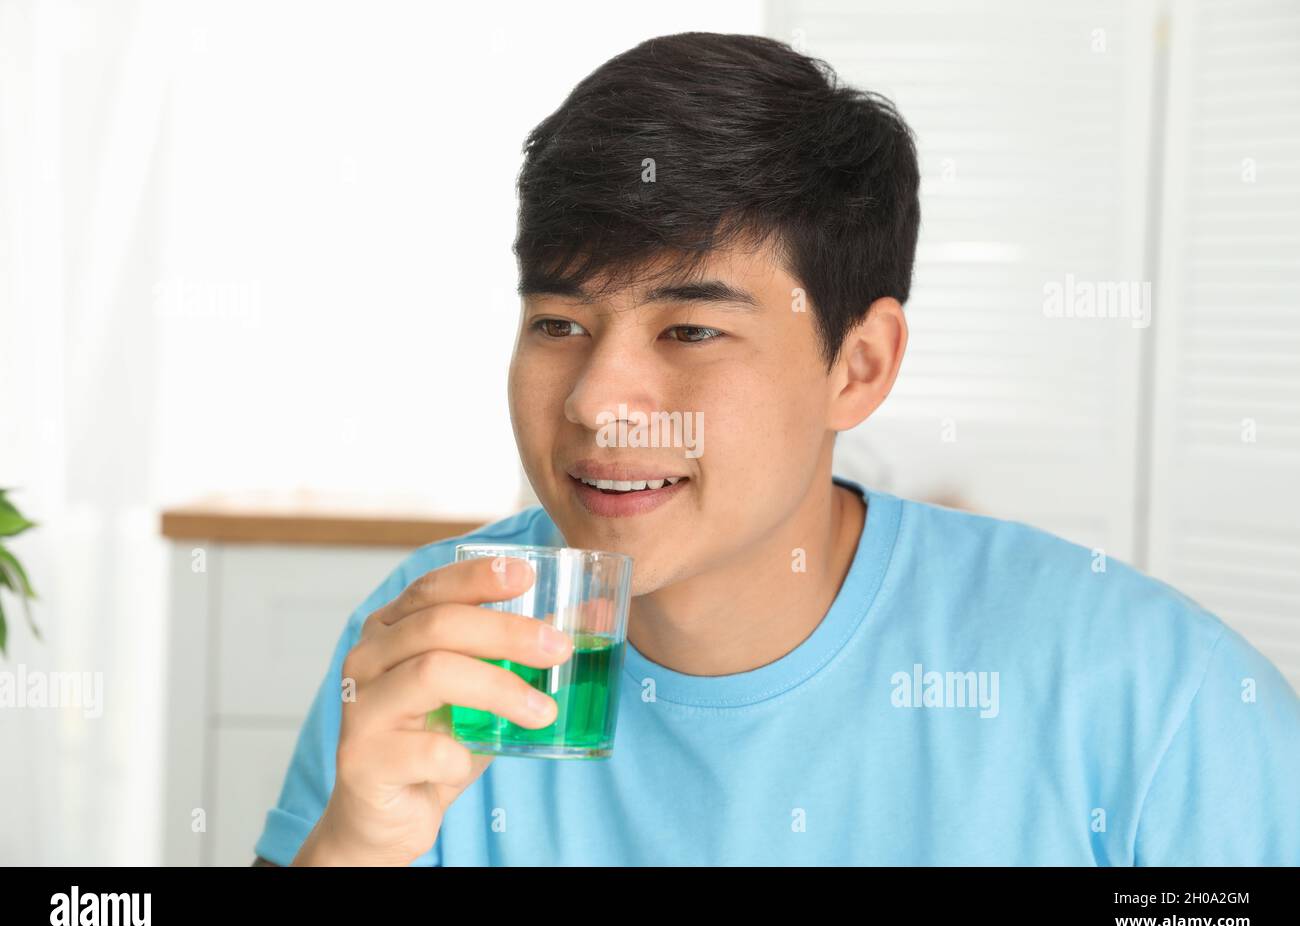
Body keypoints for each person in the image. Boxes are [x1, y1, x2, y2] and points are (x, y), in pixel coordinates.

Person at [253, 32, 1300, 866]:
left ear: (858, 365)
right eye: (559, 323)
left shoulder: (1148, 691)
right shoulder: (442, 632)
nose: (598, 401)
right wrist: (355, 846)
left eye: (692, 330)